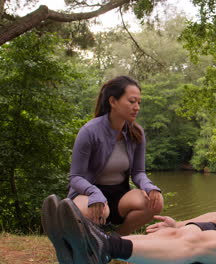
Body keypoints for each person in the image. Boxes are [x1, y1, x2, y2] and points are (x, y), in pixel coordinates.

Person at [42, 143, 216, 264]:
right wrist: (183, 223)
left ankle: (104, 247)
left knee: (198, 244)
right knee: (178, 233)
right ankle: (85, 246)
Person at [66, 75, 163, 236]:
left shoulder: (136, 133)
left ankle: (116, 240)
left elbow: (138, 173)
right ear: (113, 102)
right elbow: (75, 177)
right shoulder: (89, 131)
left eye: (139, 102)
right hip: (88, 193)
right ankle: (82, 235)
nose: (137, 107)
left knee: (154, 203)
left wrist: (150, 187)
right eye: (132, 101)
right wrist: (94, 193)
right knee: (97, 211)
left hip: (120, 195)